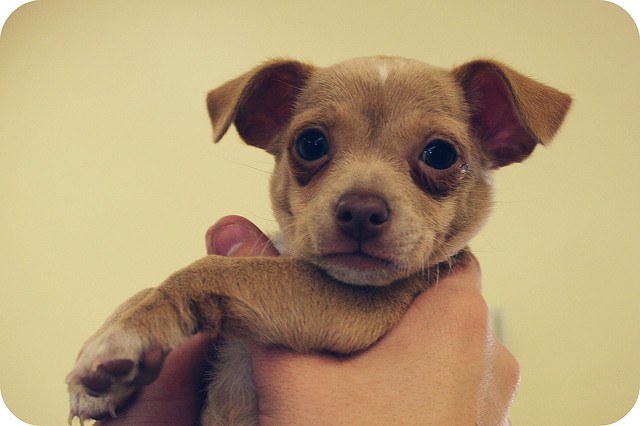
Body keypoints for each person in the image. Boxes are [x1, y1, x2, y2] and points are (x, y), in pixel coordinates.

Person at [97, 215, 519, 425]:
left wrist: (191, 293)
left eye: (438, 157)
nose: (363, 204)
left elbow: (332, 314)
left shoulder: (428, 286)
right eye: (313, 148)